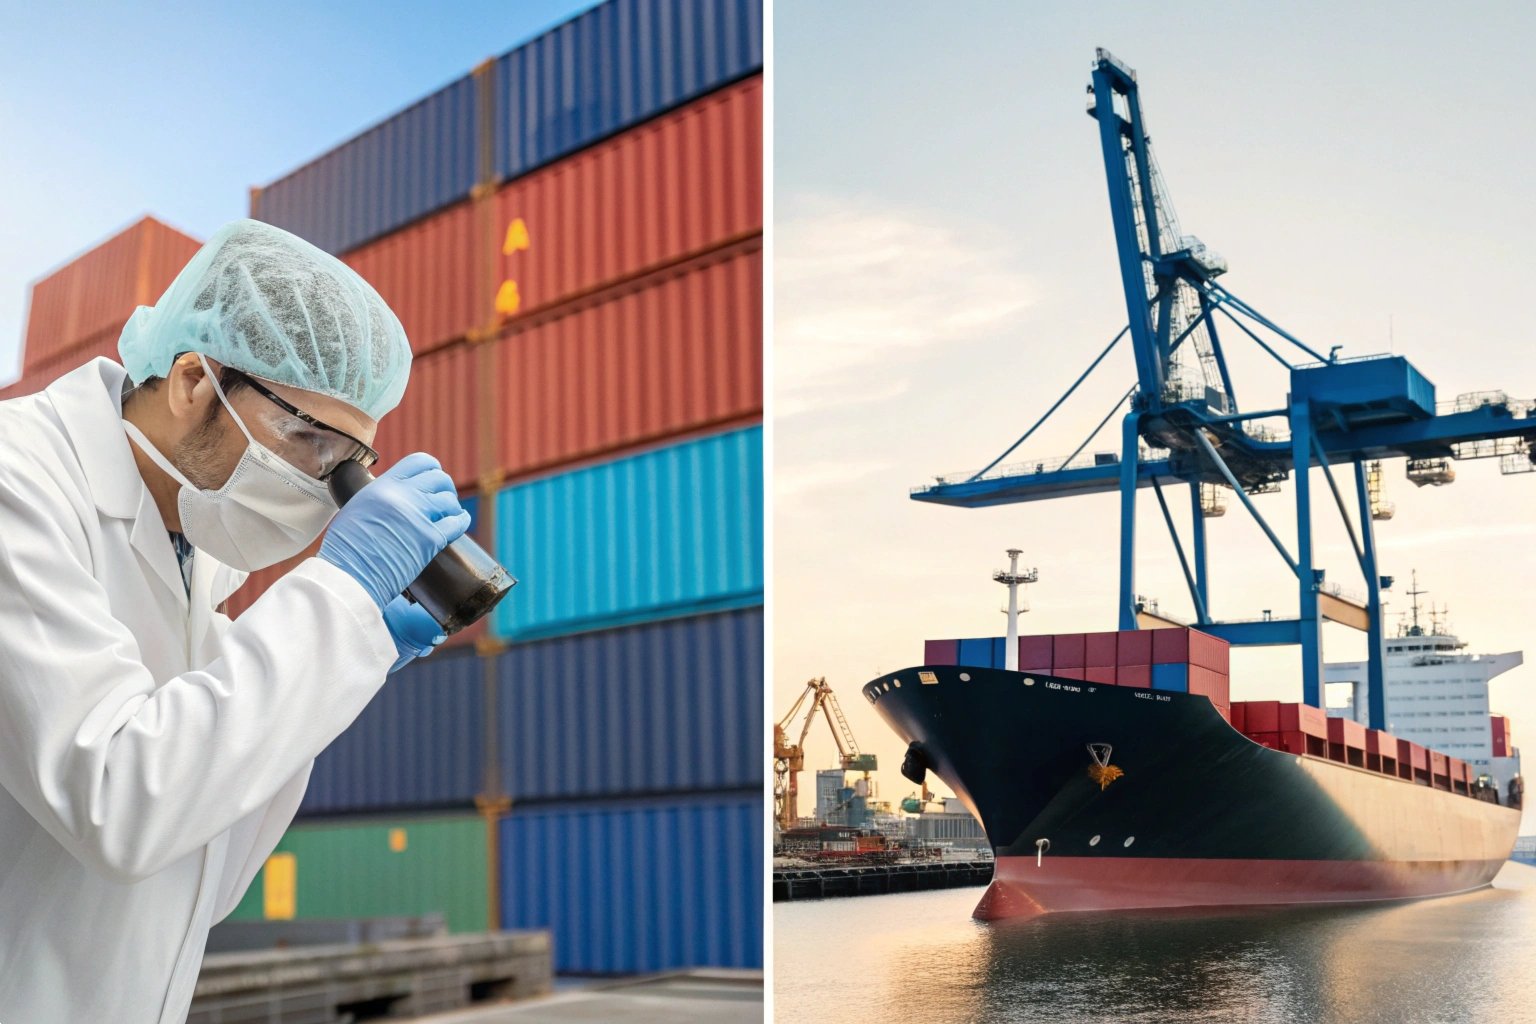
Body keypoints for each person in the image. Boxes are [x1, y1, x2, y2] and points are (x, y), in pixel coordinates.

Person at [0, 220, 472, 1023]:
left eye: (347, 461)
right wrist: (335, 604)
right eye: (307, 438)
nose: (325, 486)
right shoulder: (19, 483)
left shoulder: (196, 558)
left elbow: (201, 880)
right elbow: (121, 805)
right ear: (192, 380)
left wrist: (341, 669)